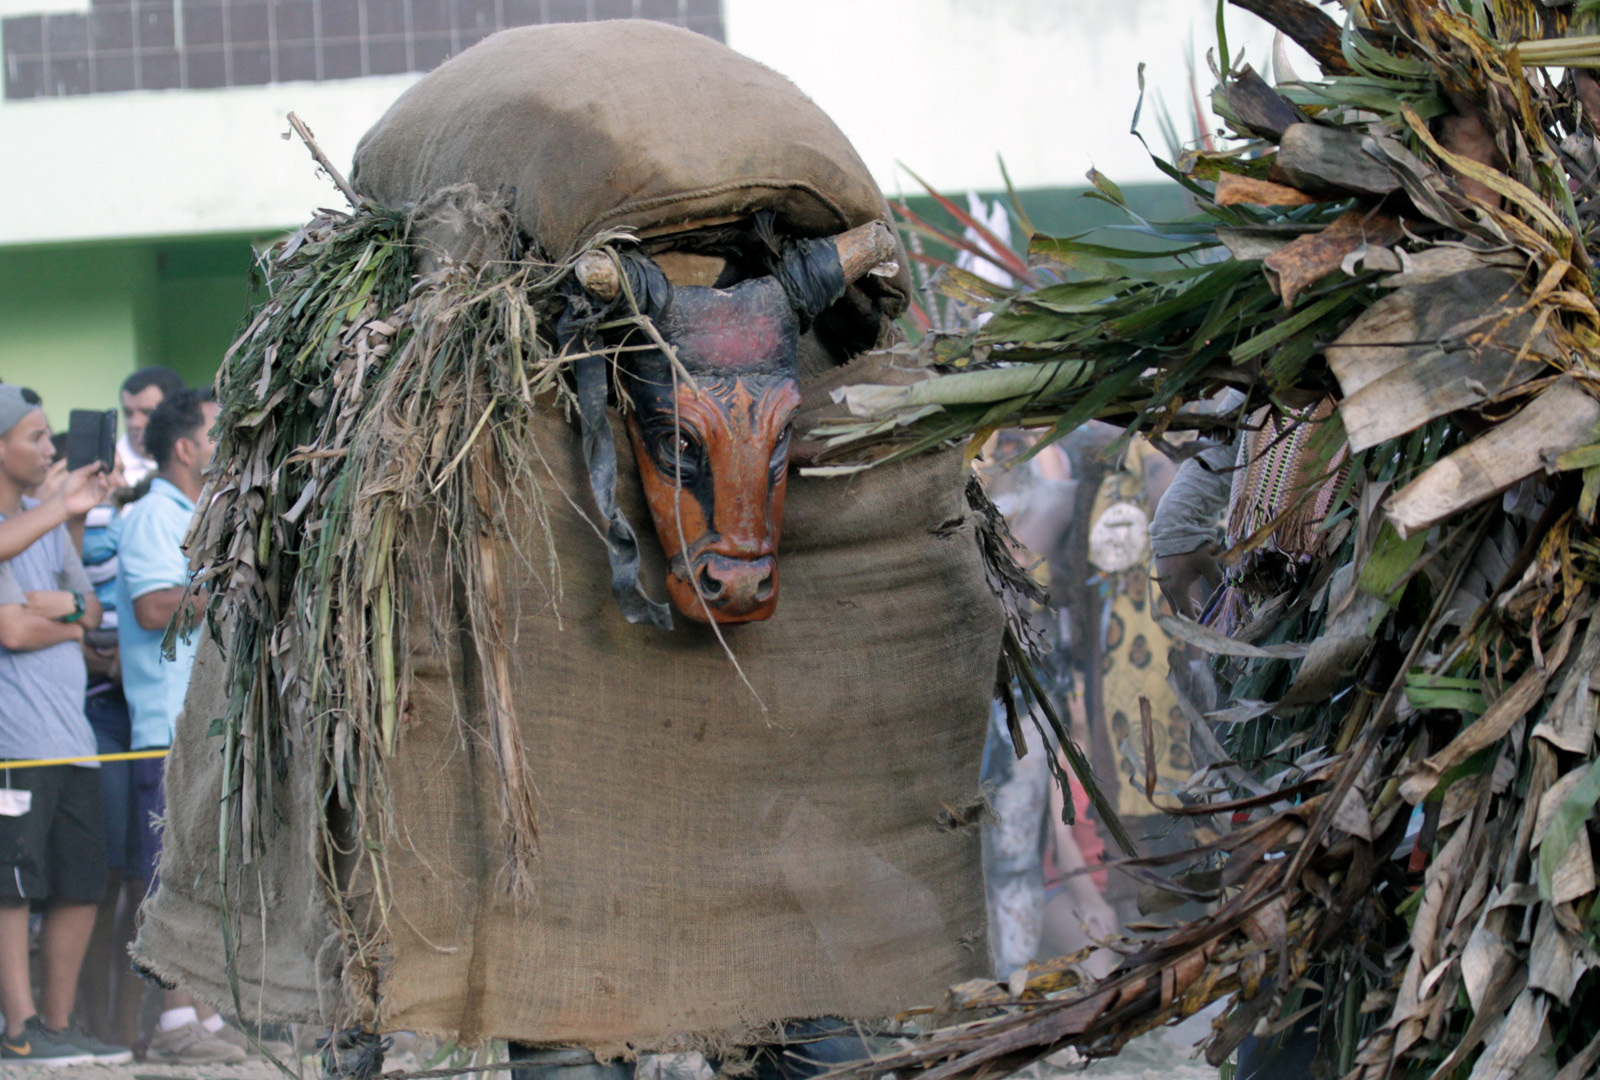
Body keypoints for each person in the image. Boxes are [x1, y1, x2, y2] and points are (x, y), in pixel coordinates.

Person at [115, 386, 248, 1065]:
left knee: (202, 875)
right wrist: (230, 583)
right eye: (216, 433)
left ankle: (206, 1016)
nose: (226, 444)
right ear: (185, 447)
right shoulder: (150, 518)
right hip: (164, 729)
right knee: (168, 876)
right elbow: (151, 607)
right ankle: (173, 1023)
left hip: (202, 726)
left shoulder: (197, 511)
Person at [0, 384, 132, 1066]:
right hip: (13, 744)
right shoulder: (37, 518)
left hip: (72, 739)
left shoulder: (44, 525)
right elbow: (14, 631)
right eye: (34, 437)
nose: (50, 449)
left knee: (82, 881)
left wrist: (52, 607)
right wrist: (52, 613)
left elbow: (86, 611)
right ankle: (20, 1028)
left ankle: (56, 1023)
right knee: (12, 887)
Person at [115, 368, 186, 489]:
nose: (135, 423)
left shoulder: (197, 466)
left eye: (147, 412)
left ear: (175, 414)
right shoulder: (107, 475)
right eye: (128, 413)